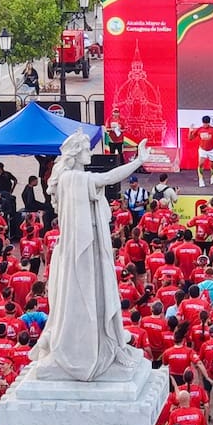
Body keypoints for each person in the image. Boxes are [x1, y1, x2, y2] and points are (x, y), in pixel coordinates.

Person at [30, 132, 149, 382]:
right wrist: (137, 161)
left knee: (94, 295)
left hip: (85, 246)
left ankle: (100, 342)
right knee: (83, 297)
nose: (89, 152)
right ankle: (81, 350)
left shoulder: (71, 178)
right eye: (85, 148)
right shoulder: (73, 178)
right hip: (79, 250)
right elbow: (107, 177)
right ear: (75, 152)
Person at [189, 115, 213, 189]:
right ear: (203, 123)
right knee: (201, 164)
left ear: (209, 123)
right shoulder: (199, 129)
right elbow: (190, 138)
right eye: (204, 123)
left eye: (207, 123)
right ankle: (201, 180)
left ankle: (212, 177)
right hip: (203, 150)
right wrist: (190, 131)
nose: (206, 125)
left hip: (212, 150)